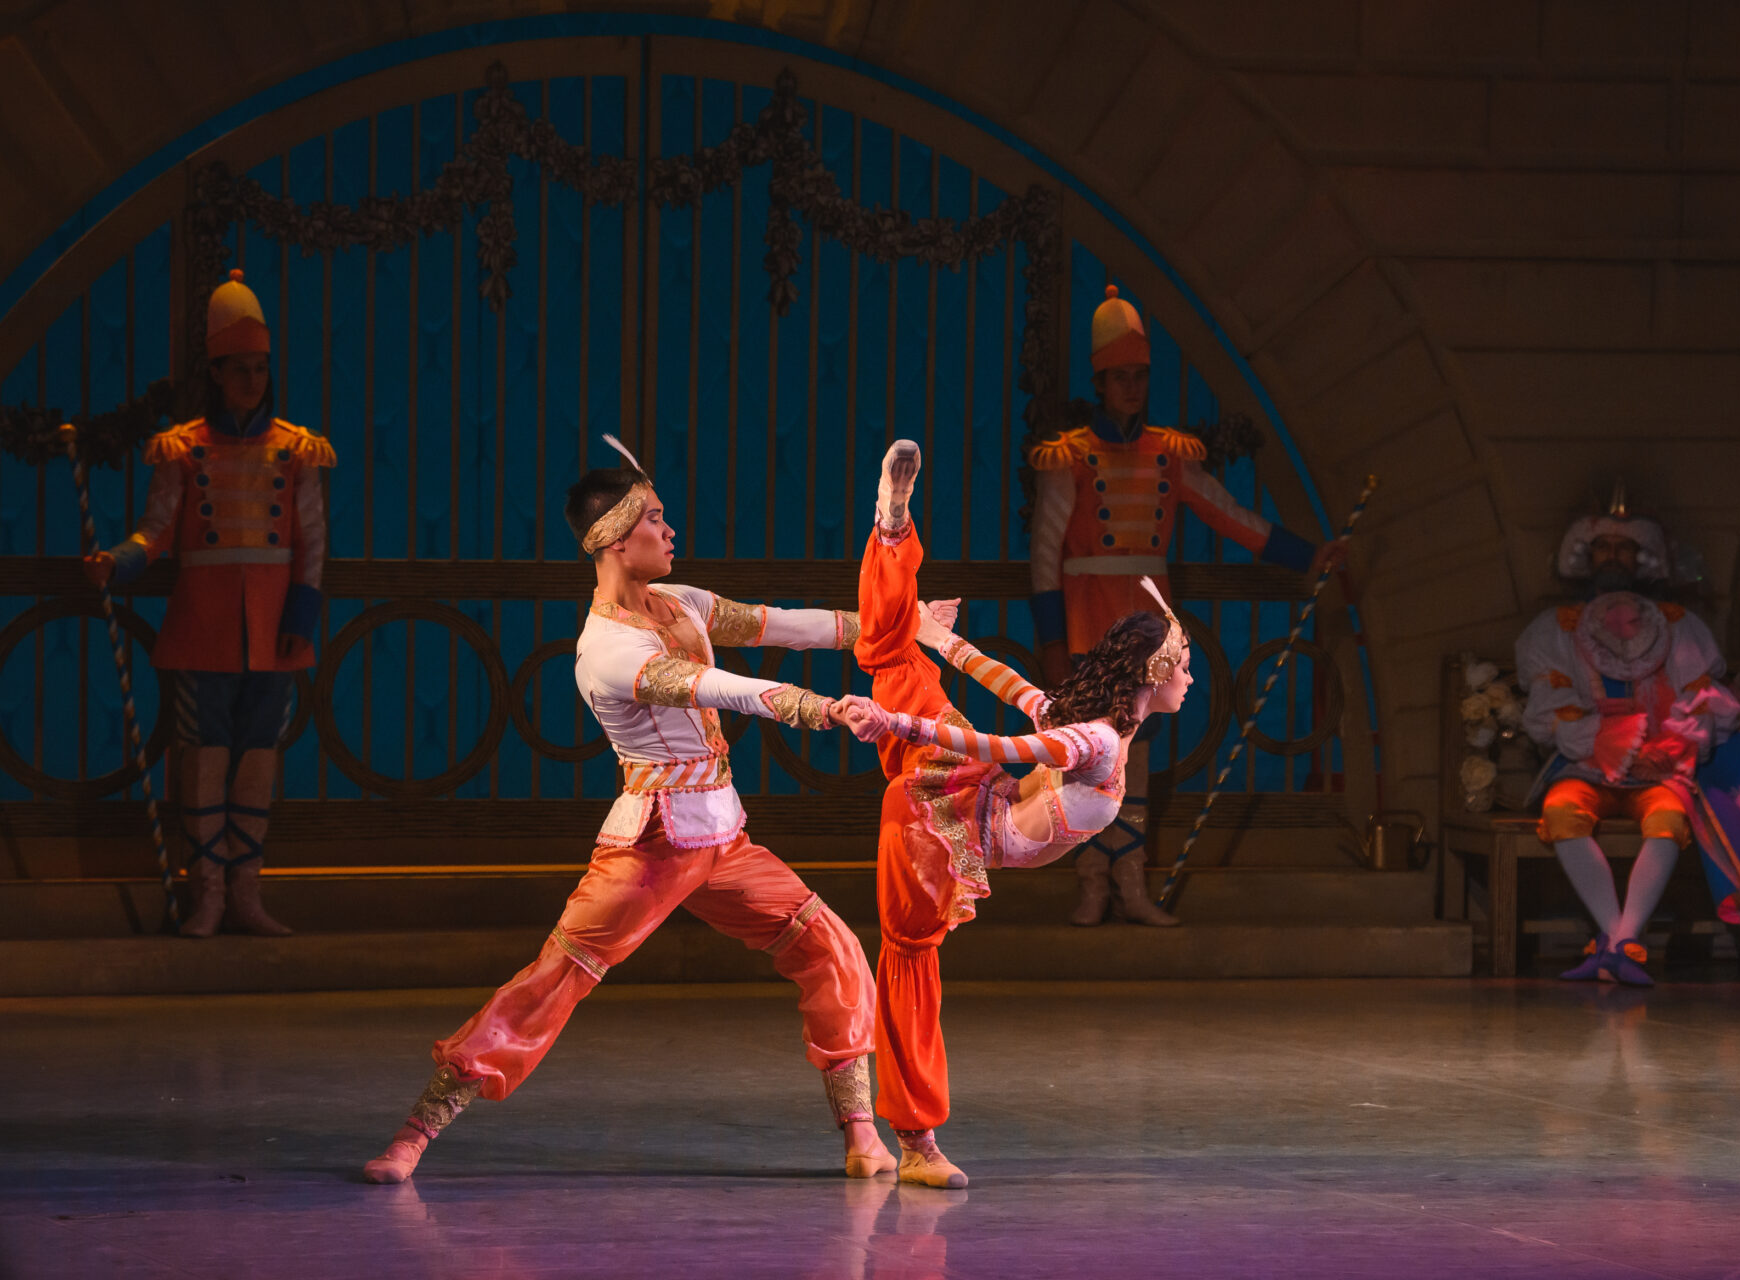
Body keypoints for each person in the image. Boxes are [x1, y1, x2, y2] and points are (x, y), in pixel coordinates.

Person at [362, 442, 892, 1183]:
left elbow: (791, 625)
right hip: (651, 846)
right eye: (655, 519)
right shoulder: (606, 648)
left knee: (831, 947)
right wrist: (820, 708)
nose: (670, 531)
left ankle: (862, 1135)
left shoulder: (683, 603)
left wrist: (900, 624)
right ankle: (415, 1133)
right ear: (615, 539)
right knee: (555, 978)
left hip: (724, 839)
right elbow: (716, 688)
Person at [842, 439, 1195, 1188]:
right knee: (911, 969)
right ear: (1154, 672)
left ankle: (891, 536)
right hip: (934, 833)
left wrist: (941, 640)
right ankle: (917, 1143)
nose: (1191, 679)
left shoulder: (1096, 723)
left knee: (896, 657)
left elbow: (1012, 687)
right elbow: (1003, 744)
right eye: (1184, 666)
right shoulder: (1097, 742)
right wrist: (899, 724)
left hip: (956, 798)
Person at [1026, 284, 1342, 926]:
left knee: (1136, 759)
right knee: (1089, 754)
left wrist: (1309, 556)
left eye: (1140, 376)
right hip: (1088, 622)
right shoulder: (1072, 457)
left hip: (1147, 626)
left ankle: (1130, 881)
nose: (1132, 388)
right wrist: (1053, 641)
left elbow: (1233, 516)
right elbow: (1044, 553)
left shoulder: (1168, 453)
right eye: (1121, 377)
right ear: (1101, 383)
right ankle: (1092, 883)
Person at [84, 269, 333, 938]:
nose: (252, 380)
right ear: (217, 374)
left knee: (256, 760)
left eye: (260, 369)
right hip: (203, 628)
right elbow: (156, 531)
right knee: (202, 760)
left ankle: (246, 894)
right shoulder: (183, 448)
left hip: (274, 632)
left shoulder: (296, 450)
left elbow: (312, 542)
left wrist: (300, 617)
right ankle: (210, 896)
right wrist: (117, 561)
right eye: (240, 369)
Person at [1517, 494, 1740, 985]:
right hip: (1587, 766)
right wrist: (1616, 748)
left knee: (1670, 818)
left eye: (1624, 548)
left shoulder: (1678, 627)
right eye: (1604, 547)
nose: (1614, 557)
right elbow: (1554, 706)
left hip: (1659, 769)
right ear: (1588, 555)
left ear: (1643, 558)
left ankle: (1618, 941)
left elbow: (1701, 700)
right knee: (1561, 811)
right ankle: (1623, 943)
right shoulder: (1557, 630)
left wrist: (1663, 750)